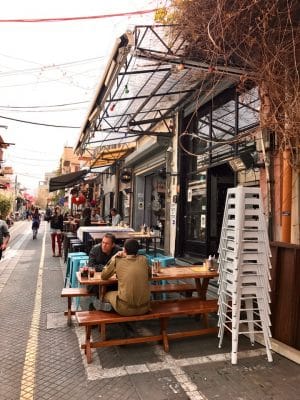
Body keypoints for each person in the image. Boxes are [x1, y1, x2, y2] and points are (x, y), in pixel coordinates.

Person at [99, 239, 151, 316]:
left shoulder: (118, 260)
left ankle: (100, 310)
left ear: (124, 249)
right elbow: (149, 276)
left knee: (106, 295)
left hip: (124, 310)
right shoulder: (144, 260)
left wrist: (114, 257)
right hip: (145, 308)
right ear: (138, 250)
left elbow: (103, 276)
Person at [87, 233, 120, 306]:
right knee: (95, 288)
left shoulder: (118, 251)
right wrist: (108, 268)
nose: (104, 245)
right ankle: (97, 305)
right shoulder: (95, 250)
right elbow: (91, 266)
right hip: (96, 283)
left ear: (113, 245)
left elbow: (120, 266)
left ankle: (107, 306)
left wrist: (100, 267)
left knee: (118, 286)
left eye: (107, 244)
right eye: (103, 242)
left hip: (112, 282)